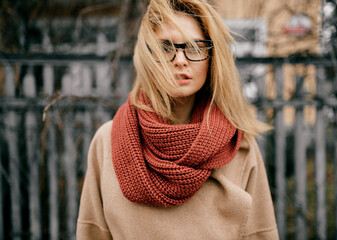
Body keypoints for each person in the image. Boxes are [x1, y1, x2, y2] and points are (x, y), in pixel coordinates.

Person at [76, 0, 279, 239]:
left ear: (211, 58)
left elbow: (260, 234)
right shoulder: (108, 142)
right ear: (147, 56)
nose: (180, 60)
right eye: (165, 47)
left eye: (194, 47)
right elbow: (92, 233)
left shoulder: (239, 146)